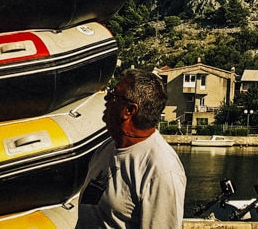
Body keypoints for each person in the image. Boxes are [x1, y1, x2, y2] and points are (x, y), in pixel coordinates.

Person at [75, 69, 187, 229]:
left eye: (114, 95)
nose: (106, 98)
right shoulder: (107, 147)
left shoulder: (161, 170)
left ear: (129, 110)